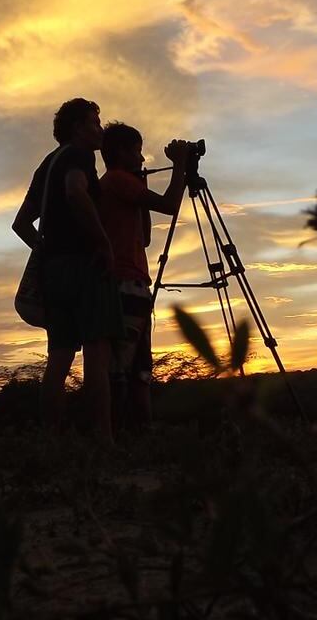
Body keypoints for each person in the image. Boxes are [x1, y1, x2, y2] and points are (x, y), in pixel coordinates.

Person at [12, 98, 122, 442]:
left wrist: (47, 250)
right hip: (85, 267)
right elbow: (76, 192)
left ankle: (53, 440)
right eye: (93, 122)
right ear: (77, 128)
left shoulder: (46, 165)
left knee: (59, 358)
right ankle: (103, 440)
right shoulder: (79, 156)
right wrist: (102, 242)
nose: (99, 129)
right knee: (97, 355)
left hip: (53, 272)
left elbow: (21, 224)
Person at [97, 122, 191, 428]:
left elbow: (146, 237)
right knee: (122, 369)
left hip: (132, 283)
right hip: (124, 284)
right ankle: (120, 434)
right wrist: (180, 165)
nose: (141, 158)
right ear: (121, 153)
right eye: (137, 150)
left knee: (140, 369)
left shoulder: (123, 184)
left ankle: (140, 431)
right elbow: (170, 205)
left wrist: (141, 195)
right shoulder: (115, 180)